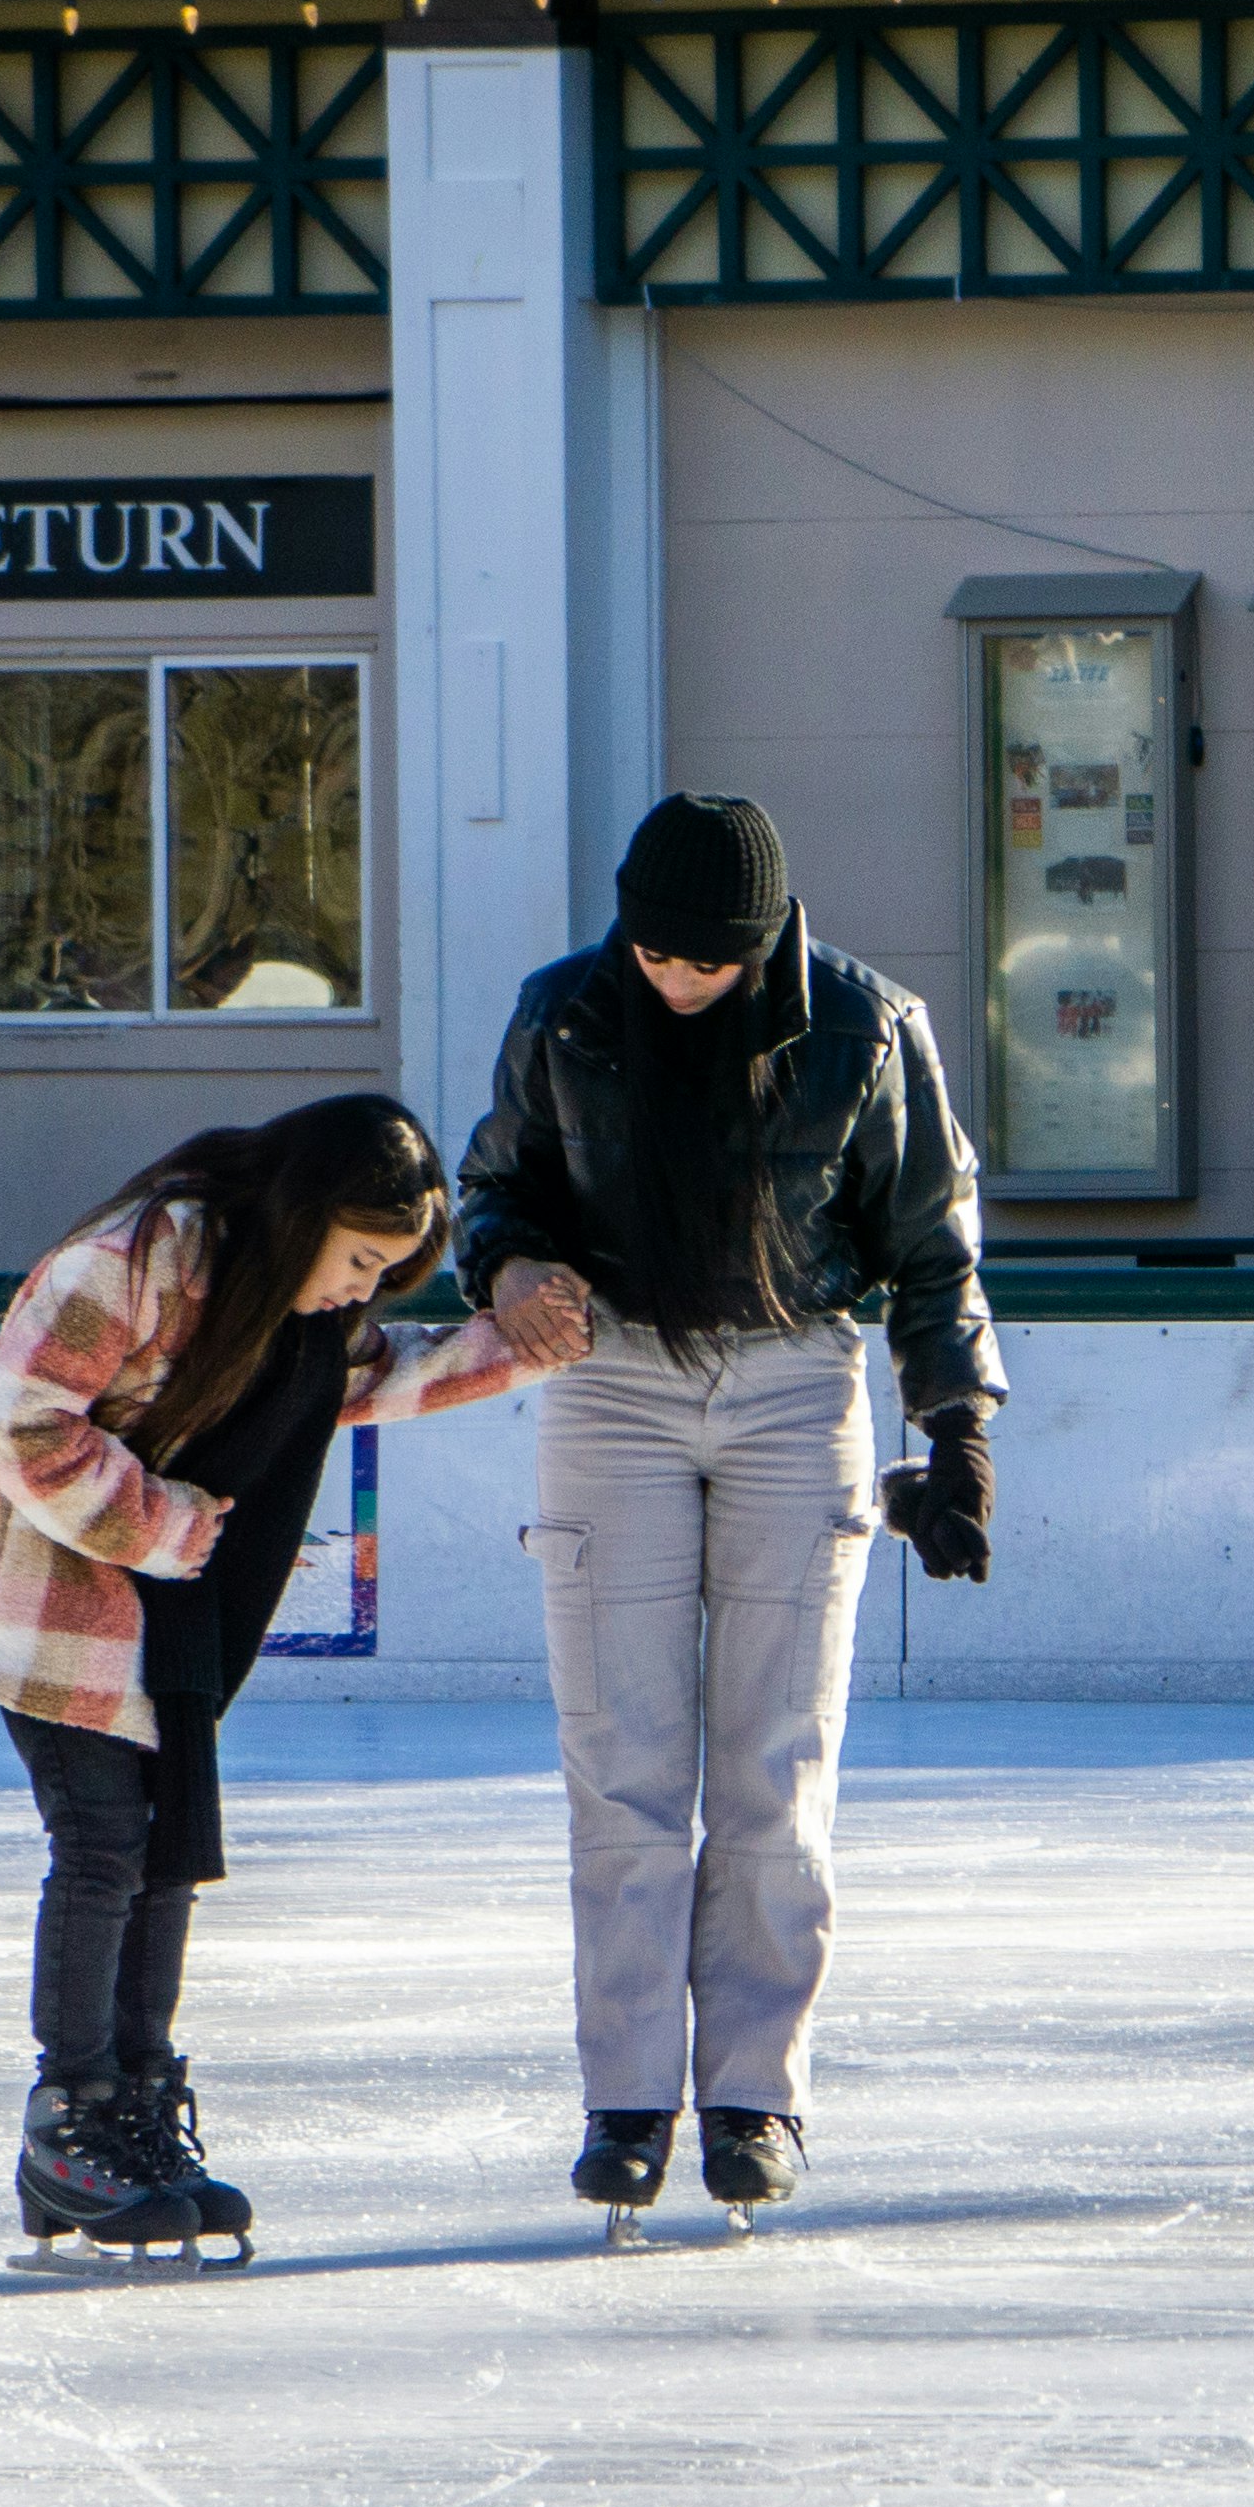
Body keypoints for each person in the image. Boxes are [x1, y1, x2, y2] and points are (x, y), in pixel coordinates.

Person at [0, 1094, 572, 2260]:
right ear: (306, 1213)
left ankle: (138, 2103)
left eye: (386, 1269)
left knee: (163, 1849)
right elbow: (12, 1414)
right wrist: (154, 1521)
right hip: (48, 1596)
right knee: (104, 1838)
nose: (362, 1288)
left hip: (172, 1617)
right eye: (359, 1257)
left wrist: (517, 1343)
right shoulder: (130, 1263)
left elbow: (358, 1382)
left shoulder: (290, 1306)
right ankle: (69, 2119)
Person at [457, 792, 1002, 2225]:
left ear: (763, 946)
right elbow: (492, 1191)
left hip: (793, 1379)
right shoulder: (563, 1012)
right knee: (621, 1757)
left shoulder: (866, 1027)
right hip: (611, 1383)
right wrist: (509, 1275)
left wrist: (957, 1434)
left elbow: (934, 1242)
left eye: (708, 960)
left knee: (776, 1755)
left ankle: (755, 2094)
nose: (677, 978)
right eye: (655, 952)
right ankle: (627, 2094)